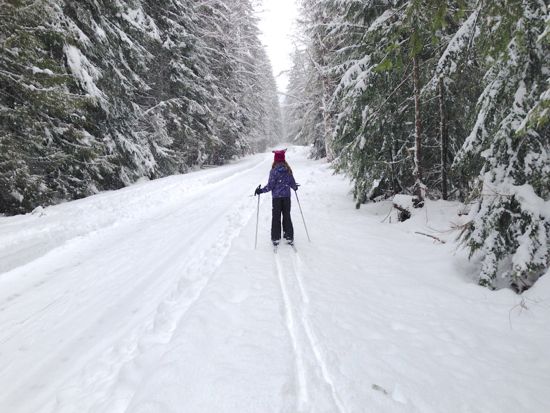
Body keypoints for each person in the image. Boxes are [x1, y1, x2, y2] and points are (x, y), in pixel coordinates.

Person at [255, 149, 298, 246]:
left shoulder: (273, 171)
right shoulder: (288, 170)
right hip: (286, 198)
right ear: (283, 159)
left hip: (276, 198)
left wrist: (261, 190)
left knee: (276, 217)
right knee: (287, 216)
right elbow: (292, 183)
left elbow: (270, 186)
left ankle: (275, 237)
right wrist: (295, 187)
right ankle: (289, 236)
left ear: (275, 159)